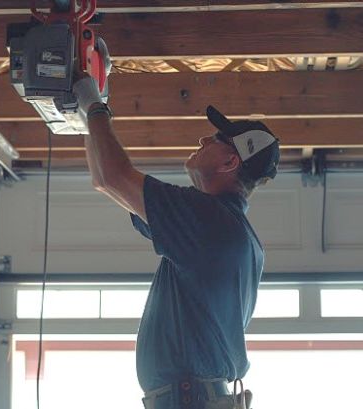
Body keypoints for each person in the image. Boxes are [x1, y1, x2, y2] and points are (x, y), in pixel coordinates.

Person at [73, 74, 280, 409]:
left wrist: (94, 106)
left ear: (230, 162)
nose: (202, 139)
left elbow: (112, 177)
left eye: (215, 139)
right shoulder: (217, 227)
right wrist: (89, 112)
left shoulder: (210, 222)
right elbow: (106, 180)